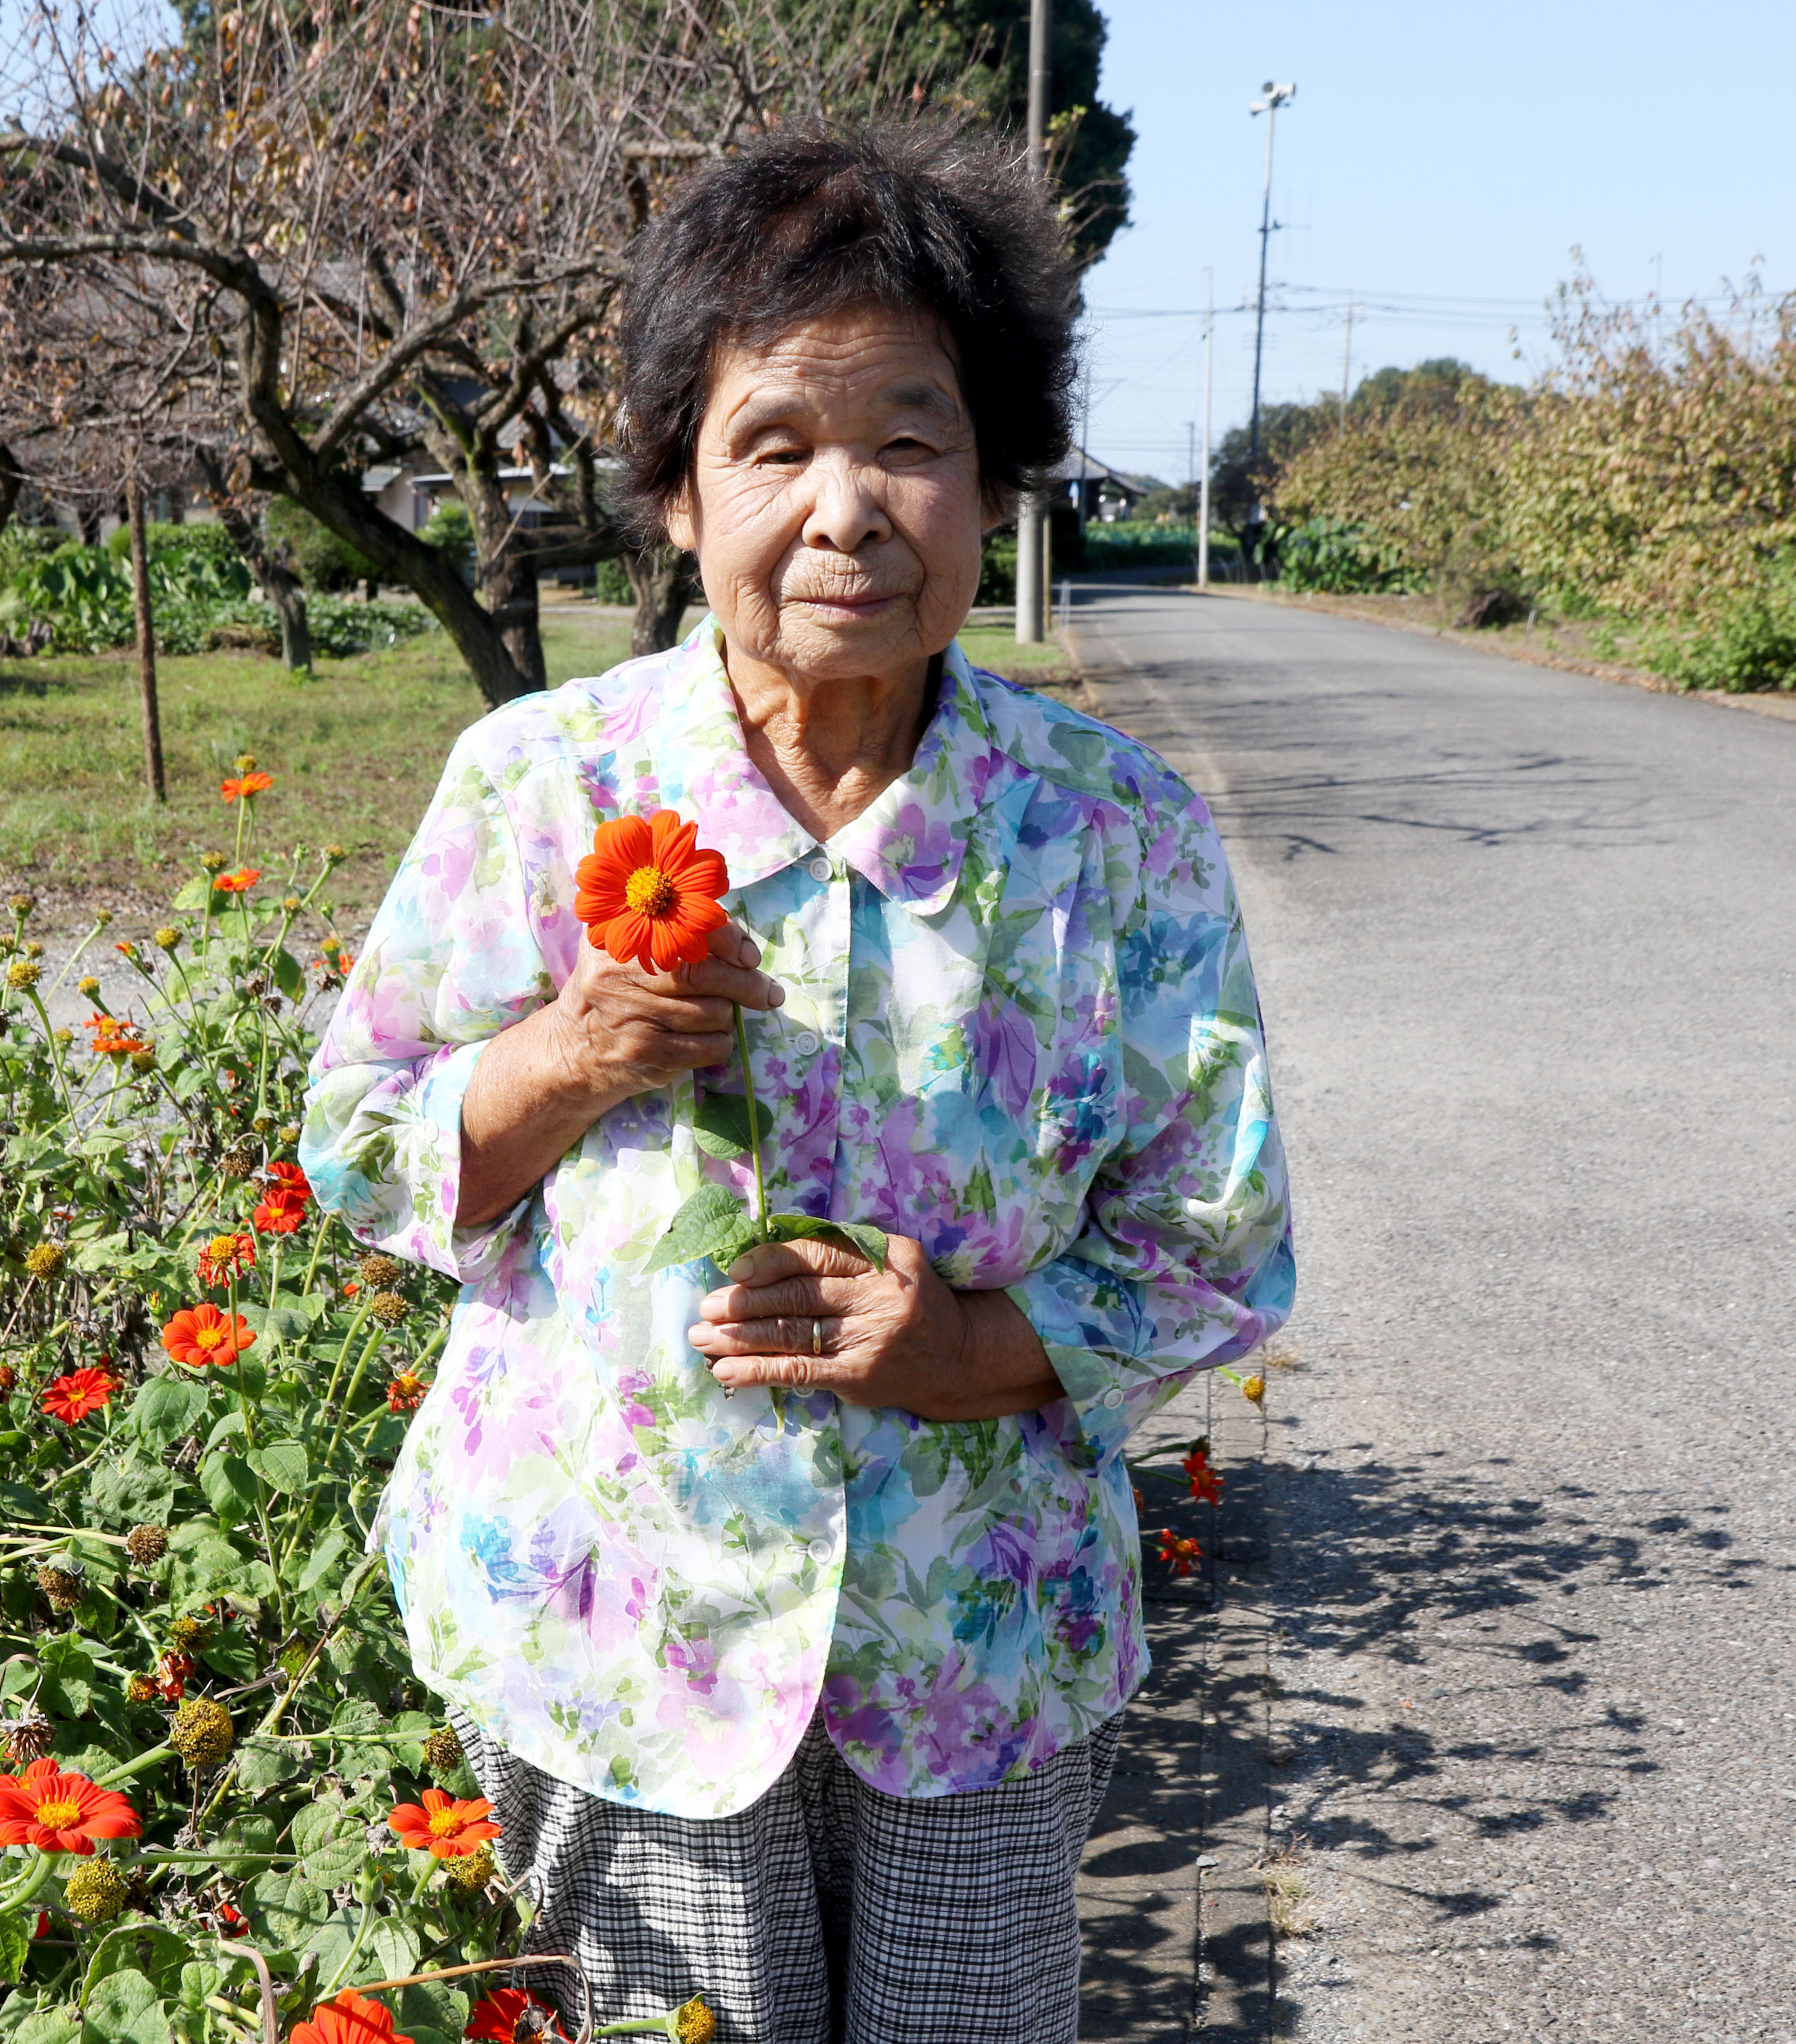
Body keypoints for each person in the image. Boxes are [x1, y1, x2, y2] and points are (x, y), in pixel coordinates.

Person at [300, 118, 1294, 2044]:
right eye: (775, 445)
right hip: (613, 1624)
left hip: (975, 1646)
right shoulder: (543, 784)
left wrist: (973, 1351)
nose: (849, 508)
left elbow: (1215, 1249)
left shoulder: (1116, 837)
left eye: (912, 441)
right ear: (679, 494)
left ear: (995, 483)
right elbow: (360, 1144)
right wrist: (564, 1057)